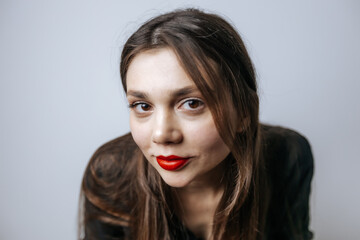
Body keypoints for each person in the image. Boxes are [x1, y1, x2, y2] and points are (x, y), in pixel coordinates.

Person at [79, 8, 314, 240]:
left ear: (244, 112)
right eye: (142, 105)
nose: (161, 134)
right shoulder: (110, 174)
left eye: (192, 103)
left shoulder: (286, 156)